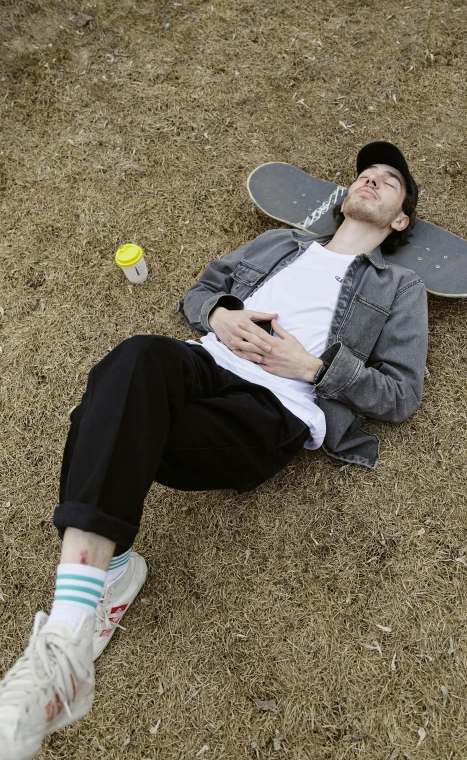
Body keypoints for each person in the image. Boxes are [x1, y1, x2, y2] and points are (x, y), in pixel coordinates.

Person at [0, 141, 428, 759]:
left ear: (399, 219)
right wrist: (221, 315)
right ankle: (82, 616)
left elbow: (401, 394)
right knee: (135, 356)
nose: (372, 179)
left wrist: (312, 365)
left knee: (107, 416)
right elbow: (202, 291)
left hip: (275, 408)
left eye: (389, 181)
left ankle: (79, 615)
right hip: (202, 364)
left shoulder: (400, 286)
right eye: (365, 173)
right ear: (342, 200)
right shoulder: (284, 244)